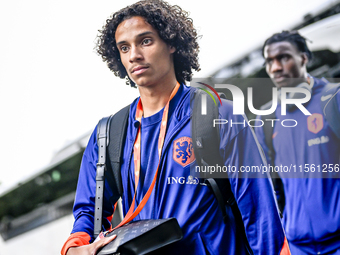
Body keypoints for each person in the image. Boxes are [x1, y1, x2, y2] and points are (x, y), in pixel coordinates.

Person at [61, 1, 290, 254]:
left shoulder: (219, 115)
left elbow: (261, 217)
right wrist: (75, 249)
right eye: (124, 48)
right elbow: (88, 214)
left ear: (171, 43)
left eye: (145, 41)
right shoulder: (108, 135)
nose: (134, 55)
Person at [256, 30, 340, 254]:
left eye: (284, 57)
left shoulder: (334, 98)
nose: (275, 67)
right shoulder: (266, 118)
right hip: (297, 246)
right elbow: (272, 188)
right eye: (269, 61)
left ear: (303, 58)